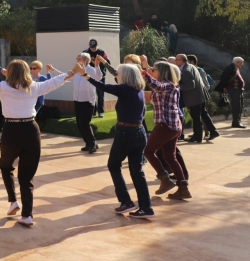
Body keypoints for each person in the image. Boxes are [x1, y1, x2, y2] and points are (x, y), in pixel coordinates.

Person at [0, 58, 77, 227]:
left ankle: (13, 201)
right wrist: (73, 71)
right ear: (27, 72)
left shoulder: (3, 88)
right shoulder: (34, 87)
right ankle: (27, 215)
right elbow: (56, 81)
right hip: (31, 131)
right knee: (26, 177)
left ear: (9, 73)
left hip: (11, 131)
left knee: (6, 166)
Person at [85, 61, 154, 218]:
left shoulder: (125, 90)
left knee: (113, 165)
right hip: (139, 131)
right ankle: (146, 207)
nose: (116, 75)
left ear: (125, 76)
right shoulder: (139, 89)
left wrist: (84, 75)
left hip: (126, 132)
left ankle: (126, 202)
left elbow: (103, 86)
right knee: (137, 170)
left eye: (118, 74)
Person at [140, 57, 190, 200]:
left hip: (166, 125)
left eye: (154, 70)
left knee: (148, 151)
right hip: (173, 126)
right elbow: (154, 81)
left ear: (161, 72)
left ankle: (165, 180)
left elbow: (155, 85)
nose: (151, 72)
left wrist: (143, 73)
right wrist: (145, 66)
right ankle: (183, 188)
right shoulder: (170, 85)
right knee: (170, 157)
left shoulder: (166, 85)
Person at [52, 52, 102, 153]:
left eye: (78, 59)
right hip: (77, 100)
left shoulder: (91, 70)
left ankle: (93, 143)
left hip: (87, 100)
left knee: (84, 123)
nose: (77, 60)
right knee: (79, 123)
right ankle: (88, 143)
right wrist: (53, 70)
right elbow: (64, 76)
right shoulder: (76, 71)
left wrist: (97, 65)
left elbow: (99, 77)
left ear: (85, 60)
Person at [174, 54, 218, 143]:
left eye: (177, 59)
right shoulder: (190, 66)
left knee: (196, 117)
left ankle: (197, 137)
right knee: (203, 113)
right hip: (199, 95)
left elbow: (190, 85)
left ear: (182, 61)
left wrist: (177, 87)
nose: (175, 61)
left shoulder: (186, 70)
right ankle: (213, 131)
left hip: (194, 97)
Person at [187, 55, 219, 140]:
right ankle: (213, 131)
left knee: (198, 115)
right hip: (196, 96)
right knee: (202, 114)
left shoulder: (200, 71)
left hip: (199, 96)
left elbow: (206, 85)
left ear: (192, 62)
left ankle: (199, 135)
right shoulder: (189, 70)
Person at [216, 57, 245, 128]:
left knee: (239, 105)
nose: (242, 65)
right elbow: (224, 78)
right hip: (234, 89)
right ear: (237, 62)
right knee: (236, 105)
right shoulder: (230, 68)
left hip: (238, 89)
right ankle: (235, 122)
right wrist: (224, 87)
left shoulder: (235, 68)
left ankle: (238, 121)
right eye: (241, 63)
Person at [84, 40, 110, 117]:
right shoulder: (85, 53)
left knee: (100, 94)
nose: (93, 49)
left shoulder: (102, 52)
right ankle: (93, 111)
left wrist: (99, 62)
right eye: (92, 47)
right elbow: (82, 63)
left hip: (100, 75)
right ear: (89, 45)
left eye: (94, 47)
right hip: (89, 75)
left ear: (97, 45)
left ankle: (101, 112)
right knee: (90, 93)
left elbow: (108, 63)